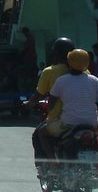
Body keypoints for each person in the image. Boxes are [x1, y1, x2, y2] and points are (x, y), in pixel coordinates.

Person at [44, 49, 98, 167]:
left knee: (42, 131)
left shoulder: (61, 80)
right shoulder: (93, 79)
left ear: (69, 62)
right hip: (91, 123)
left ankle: (53, 162)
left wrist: (49, 113)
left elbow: (52, 101)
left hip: (69, 123)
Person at [23, 37, 74, 167]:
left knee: (40, 133)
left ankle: (53, 163)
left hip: (62, 119)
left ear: (56, 54)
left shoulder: (51, 72)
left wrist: (28, 104)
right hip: (90, 121)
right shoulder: (85, 72)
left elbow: (40, 96)